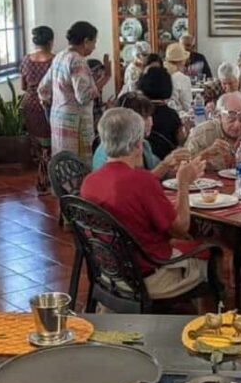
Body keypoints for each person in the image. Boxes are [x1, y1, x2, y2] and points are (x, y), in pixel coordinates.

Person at [81, 108, 208, 300]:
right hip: (147, 278)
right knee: (209, 251)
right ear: (139, 143)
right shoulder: (141, 181)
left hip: (108, 272)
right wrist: (184, 183)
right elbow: (181, 228)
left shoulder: (89, 182)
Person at [38, 21, 111, 166]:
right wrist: (105, 77)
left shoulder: (60, 56)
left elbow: (43, 89)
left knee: (62, 162)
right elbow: (83, 97)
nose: (94, 47)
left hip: (58, 119)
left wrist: (51, 109)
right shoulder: (77, 61)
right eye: (94, 42)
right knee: (78, 165)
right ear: (86, 41)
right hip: (76, 123)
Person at [92, 92, 190, 179]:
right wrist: (165, 164)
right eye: (145, 117)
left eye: (150, 116)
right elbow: (134, 184)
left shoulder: (144, 145)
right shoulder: (111, 151)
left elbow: (161, 172)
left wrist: (180, 169)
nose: (150, 121)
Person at [186, 92, 241, 172]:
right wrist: (206, 154)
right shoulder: (202, 133)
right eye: (231, 118)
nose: (237, 125)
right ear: (219, 116)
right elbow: (183, 167)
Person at [20, 25, 55, 194]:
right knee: (49, 143)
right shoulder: (55, 60)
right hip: (48, 104)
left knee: (39, 145)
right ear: (51, 41)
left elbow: (23, 86)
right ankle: (47, 179)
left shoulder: (26, 60)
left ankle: (42, 178)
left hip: (30, 103)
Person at [138, 66, 186, 161]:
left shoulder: (137, 112)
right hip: (168, 162)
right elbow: (181, 142)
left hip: (140, 161)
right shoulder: (171, 115)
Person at [164, 42, 193, 112]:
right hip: (176, 115)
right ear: (182, 61)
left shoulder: (160, 73)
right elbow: (187, 106)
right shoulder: (182, 78)